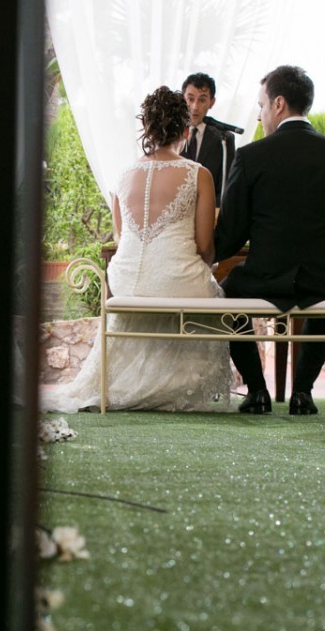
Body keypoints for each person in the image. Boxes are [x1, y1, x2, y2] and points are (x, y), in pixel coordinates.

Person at [42, 86, 232, 413]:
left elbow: (121, 238)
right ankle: (176, 386)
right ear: (185, 130)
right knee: (211, 289)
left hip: (125, 283)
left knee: (163, 280)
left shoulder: (124, 176)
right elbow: (204, 245)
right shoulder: (199, 175)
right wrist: (209, 265)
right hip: (177, 283)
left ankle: (140, 383)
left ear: (147, 129)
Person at [214, 65, 325, 415]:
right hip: (324, 277)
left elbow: (232, 233)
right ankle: (302, 391)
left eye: (261, 105)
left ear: (279, 104)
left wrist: (209, 252)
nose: (259, 114)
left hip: (267, 276)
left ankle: (256, 390)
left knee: (227, 295)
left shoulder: (251, 156)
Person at [181, 72, 236, 207]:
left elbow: (225, 188)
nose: (195, 107)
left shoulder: (224, 139)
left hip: (207, 213)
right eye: (190, 99)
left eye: (202, 100)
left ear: (212, 102)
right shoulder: (170, 134)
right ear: (182, 99)